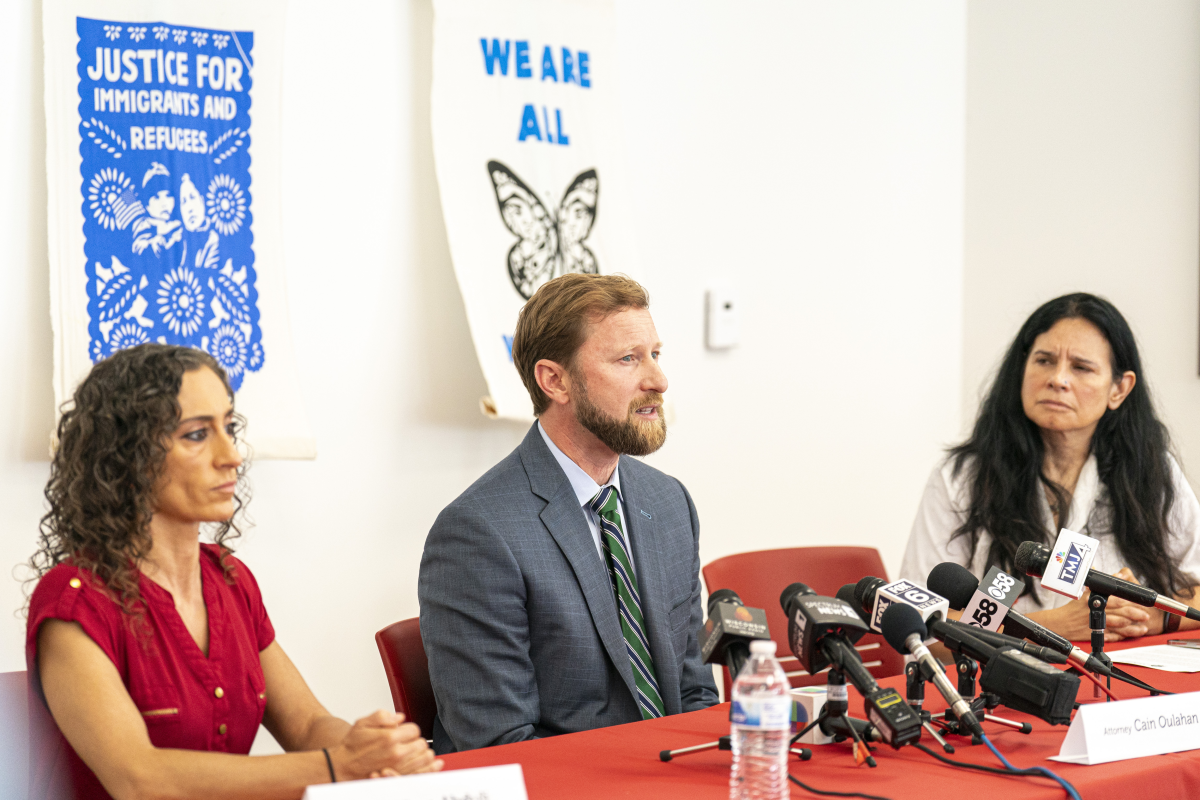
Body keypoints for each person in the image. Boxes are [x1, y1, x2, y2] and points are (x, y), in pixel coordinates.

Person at [26, 344, 440, 800]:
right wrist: (337, 766)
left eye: (229, 427)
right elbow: (141, 781)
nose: (232, 456)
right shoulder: (74, 601)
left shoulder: (229, 578)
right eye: (196, 435)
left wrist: (377, 754)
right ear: (124, 457)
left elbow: (307, 725)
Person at [418, 273, 718, 754]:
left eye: (655, 355)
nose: (658, 381)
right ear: (554, 381)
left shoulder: (668, 502)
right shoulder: (476, 534)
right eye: (628, 359)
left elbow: (693, 693)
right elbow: (501, 745)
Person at [900, 292, 1200, 642]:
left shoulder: (1150, 471)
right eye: (1044, 360)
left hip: (1118, 667)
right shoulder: (961, 478)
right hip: (997, 672)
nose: (1058, 379)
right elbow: (919, 625)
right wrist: (1053, 626)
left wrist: (1149, 617)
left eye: (1081, 367)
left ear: (1119, 389)